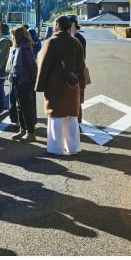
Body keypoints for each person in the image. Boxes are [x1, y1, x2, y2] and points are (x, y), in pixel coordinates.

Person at [35, 15, 86, 156]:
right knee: (71, 119)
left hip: (55, 87)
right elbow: (82, 67)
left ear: (57, 25)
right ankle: (74, 148)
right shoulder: (76, 42)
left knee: (55, 118)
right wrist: (81, 85)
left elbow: (43, 66)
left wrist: (39, 86)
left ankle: (56, 149)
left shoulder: (51, 42)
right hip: (72, 86)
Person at [9, 25, 38, 141]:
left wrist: (34, 80)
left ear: (18, 36)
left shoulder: (25, 46)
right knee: (20, 107)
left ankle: (30, 133)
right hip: (18, 80)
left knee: (26, 107)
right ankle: (23, 130)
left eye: (13, 35)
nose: (12, 37)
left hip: (24, 81)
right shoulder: (19, 46)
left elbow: (32, 65)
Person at [66, 15, 87, 123]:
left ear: (73, 24)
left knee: (77, 99)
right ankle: (74, 122)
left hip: (77, 73)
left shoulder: (79, 39)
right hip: (72, 73)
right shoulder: (73, 37)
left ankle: (77, 123)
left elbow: (82, 59)